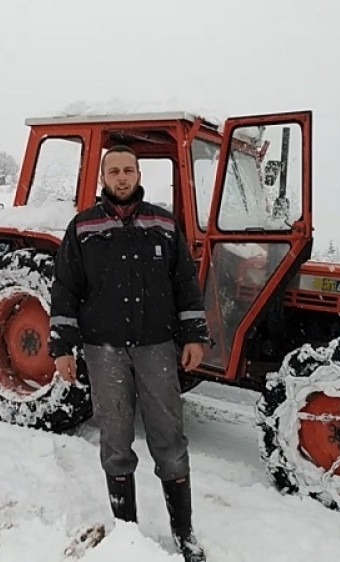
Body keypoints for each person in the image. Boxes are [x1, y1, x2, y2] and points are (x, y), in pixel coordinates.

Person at [48, 145, 209, 562]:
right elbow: (65, 289)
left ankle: (184, 533)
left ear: (138, 174)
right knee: (116, 440)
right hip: (104, 350)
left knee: (169, 437)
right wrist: (62, 346)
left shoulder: (163, 223)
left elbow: (185, 283)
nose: (122, 177)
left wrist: (194, 335)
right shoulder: (83, 227)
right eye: (114, 171)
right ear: (103, 177)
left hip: (157, 346)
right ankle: (127, 534)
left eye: (128, 170)